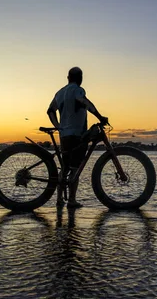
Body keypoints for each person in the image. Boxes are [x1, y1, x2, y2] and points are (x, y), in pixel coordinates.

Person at [47, 66, 108, 209]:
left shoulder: (60, 93)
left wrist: (58, 126)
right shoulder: (78, 90)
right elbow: (85, 102)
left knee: (65, 167)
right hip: (77, 134)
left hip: (64, 135)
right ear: (80, 78)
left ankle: (59, 199)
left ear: (68, 78)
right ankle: (72, 200)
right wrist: (100, 116)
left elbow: (50, 111)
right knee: (75, 168)